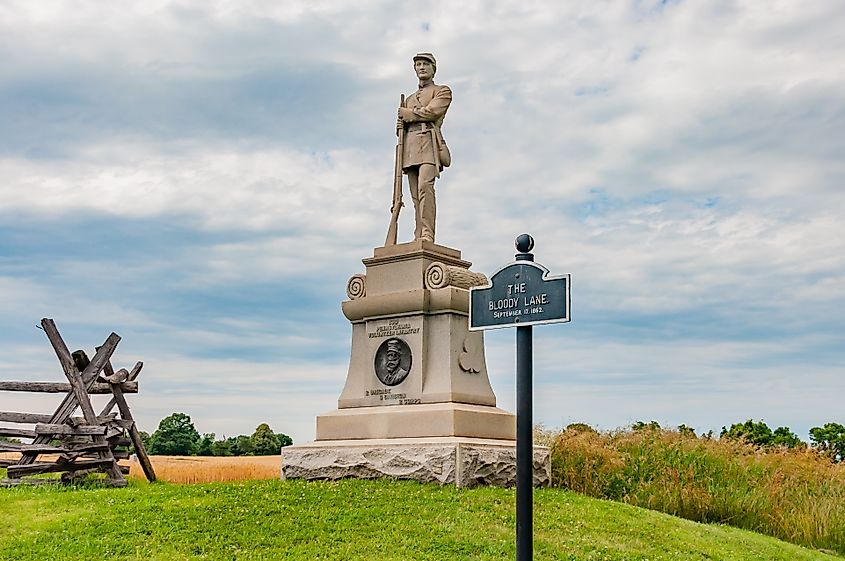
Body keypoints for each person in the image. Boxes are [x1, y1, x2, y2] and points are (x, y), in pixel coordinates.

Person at [397, 53, 452, 243]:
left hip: (429, 142)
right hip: (410, 147)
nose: (421, 67)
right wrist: (400, 123)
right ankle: (418, 233)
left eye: (425, 64)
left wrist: (408, 114)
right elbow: (401, 128)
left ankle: (428, 233)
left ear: (433, 68)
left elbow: (432, 112)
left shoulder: (442, 91)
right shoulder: (409, 99)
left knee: (424, 187)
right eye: (418, 64)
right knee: (414, 195)